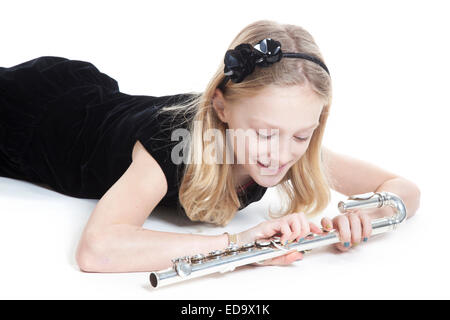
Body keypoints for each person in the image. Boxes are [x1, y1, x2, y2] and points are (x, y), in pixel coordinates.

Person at [0, 20, 421, 273]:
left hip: (90, 98)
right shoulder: (176, 144)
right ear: (221, 106)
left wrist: (371, 212)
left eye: (301, 134)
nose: (281, 155)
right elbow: (97, 250)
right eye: (266, 133)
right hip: (30, 116)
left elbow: (403, 187)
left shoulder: (285, 146)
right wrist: (242, 246)